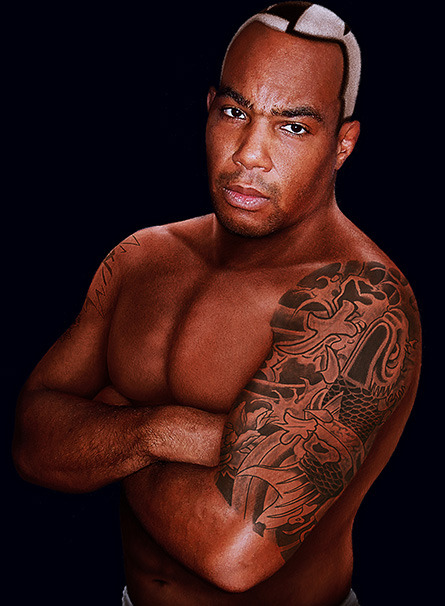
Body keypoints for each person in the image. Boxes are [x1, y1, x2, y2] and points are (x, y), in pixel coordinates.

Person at [13, 2, 421, 605]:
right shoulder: (143, 257)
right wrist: (161, 430)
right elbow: (30, 442)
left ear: (343, 144)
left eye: (293, 127)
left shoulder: (359, 303)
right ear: (208, 109)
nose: (249, 154)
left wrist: (104, 418)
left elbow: (231, 551)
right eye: (235, 113)